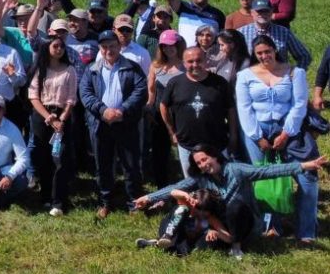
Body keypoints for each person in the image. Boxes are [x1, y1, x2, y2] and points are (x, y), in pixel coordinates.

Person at [134, 144, 327, 259]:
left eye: (205, 159)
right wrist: (149, 198)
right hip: (217, 225)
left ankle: (236, 246)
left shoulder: (236, 170)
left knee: (235, 206)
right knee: (192, 236)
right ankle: (164, 241)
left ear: (215, 156)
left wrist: (303, 166)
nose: (203, 164)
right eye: (199, 163)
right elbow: (175, 187)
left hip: (243, 223)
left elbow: (267, 171)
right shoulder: (201, 178)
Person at [235, 35, 308, 238]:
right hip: (255, 129)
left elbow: (299, 104)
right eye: (259, 53)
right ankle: (259, 223)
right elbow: (244, 107)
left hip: (284, 128)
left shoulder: (294, 72)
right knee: (258, 175)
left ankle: (275, 224)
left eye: (267, 51)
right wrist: (257, 136)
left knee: (278, 174)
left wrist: (286, 132)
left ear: (274, 50)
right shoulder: (245, 75)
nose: (264, 56)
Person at [80, 30, 148, 218]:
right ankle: (105, 202)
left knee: (130, 164)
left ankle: (134, 202)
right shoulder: (92, 69)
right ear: (100, 49)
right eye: (104, 47)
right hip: (101, 124)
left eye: (112, 46)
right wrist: (103, 111)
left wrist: (122, 110)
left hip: (125, 123)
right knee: (103, 164)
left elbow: (141, 90)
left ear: (119, 46)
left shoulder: (132, 68)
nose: (108, 50)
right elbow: (85, 94)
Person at [160, 47, 236, 178]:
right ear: (184, 63)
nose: (195, 65)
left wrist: (233, 135)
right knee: (192, 183)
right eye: (190, 61)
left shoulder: (220, 83)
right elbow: (163, 106)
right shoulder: (175, 83)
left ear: (206, 61)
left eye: (199, 60)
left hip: (217, 143)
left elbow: (230, 109)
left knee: (223, 180)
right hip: (187, 144)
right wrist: (171, 131)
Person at [27, 37, 78, 216]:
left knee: (60, 159)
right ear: (47, 48)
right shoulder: (40, 70)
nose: (59, 49)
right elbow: (33, 96)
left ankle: (59, 201)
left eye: (62, 46)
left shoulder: (70, 70)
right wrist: (49, 117)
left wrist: (62, 118)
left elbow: (72, 98)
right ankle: (45, 197)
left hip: (63, 116)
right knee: (43, 158)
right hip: (42, 116)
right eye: (55, 46)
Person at [135, 189, 232, 256]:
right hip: (170, 230)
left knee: (187, 251)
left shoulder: (210, 218)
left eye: (203, 210)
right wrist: (186, 196)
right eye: (197, 207)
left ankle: (155, 244)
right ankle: (167, 237)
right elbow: (172, 192)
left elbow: (229, 239)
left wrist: (216, 233)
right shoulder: (186, 205)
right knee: (182, 209)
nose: (198, 212)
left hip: (185, 240)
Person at [145, 30, 185, 188]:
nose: (168, 49)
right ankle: (162, 186)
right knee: (159, 153)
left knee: (182, 152)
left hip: (180, 115)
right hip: (158, 115)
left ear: (178, 45)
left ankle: (186, 184)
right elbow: (151, 90)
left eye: (172, 45)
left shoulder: (185, 65)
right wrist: (148, 107)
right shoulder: (156, 66)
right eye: (164, 46)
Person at [238, 0, 311, 69]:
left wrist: (296, 74)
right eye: (259, 11)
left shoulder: (284, 32)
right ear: (252, 12)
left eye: (266, 11)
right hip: (251, 78)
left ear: (272, 12)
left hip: (279, 78)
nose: (263, 14)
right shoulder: (241, 33)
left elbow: (304, 56)